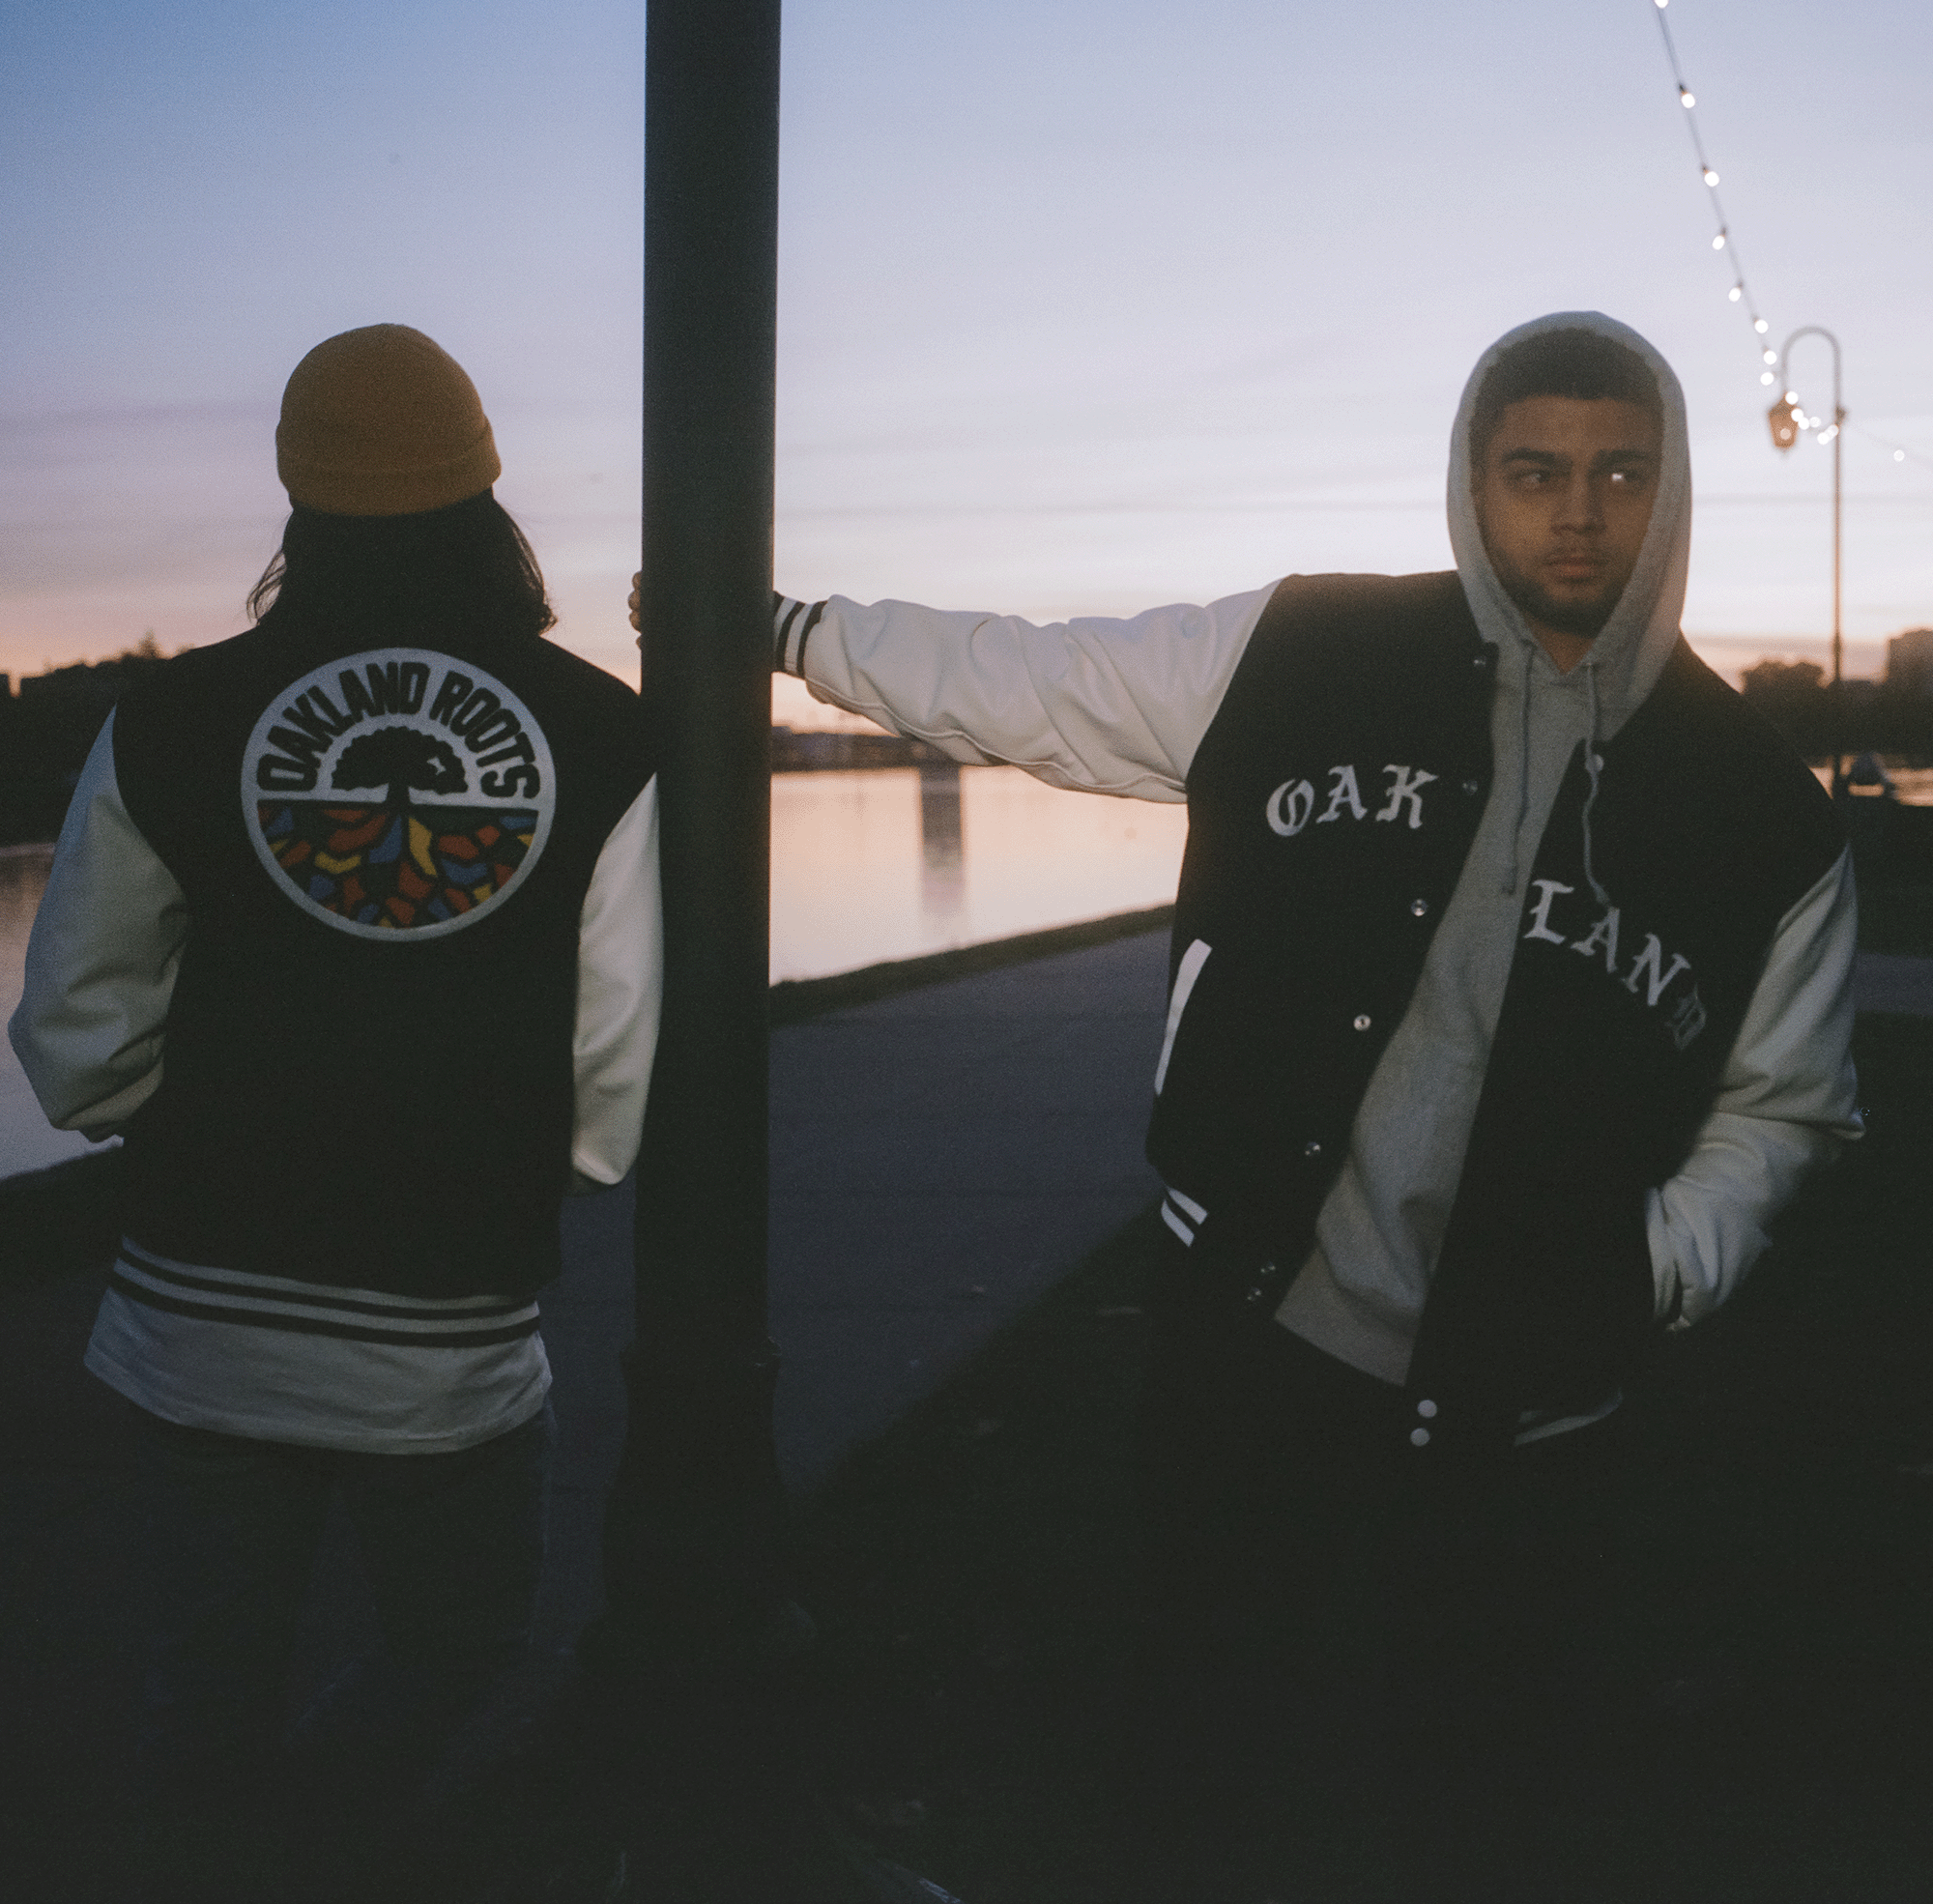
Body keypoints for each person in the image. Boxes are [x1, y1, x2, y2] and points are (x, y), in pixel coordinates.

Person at [744, 310, 1861, 1888]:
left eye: (1621, 471)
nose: (1579, 511)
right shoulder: (1303, 651)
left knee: (1479, 1798)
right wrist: (790, 630)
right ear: (1472, 482)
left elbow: (1785, 1107)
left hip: (1530, 1406)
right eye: (1534, 468)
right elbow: (1034, 680)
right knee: (1200, 1768)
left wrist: (1656, 1268)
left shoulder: (1759, 815)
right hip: (1251, 1350)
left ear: (1670, 493)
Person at [11, 325, 661, 1902]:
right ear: (486, 488)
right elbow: (612, 1055)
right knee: (459, 1649)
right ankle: (316, 1850)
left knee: (201, 1694)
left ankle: (227, 1862)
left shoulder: (172, 721)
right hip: (448, 1324)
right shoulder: (600, 734)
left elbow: (78, 1026)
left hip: (196, 1313)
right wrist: (526, 1162)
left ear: (295, 502)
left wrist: (175, 1123)